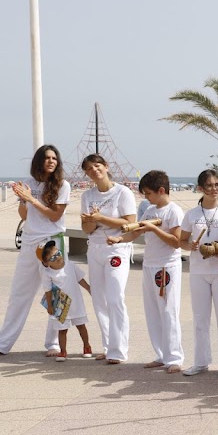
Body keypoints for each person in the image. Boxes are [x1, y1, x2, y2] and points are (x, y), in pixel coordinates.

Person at [0, 144, 70, 358]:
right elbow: (25, 215)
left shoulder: (62, 185)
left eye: (54, 158)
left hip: (51, 243)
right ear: (39, 160)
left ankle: (54, 343)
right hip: (30, 242)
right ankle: (2, 344)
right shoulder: (29, 183)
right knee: (19, 295)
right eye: (47, 158)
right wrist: (23, 200)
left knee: (55, 295)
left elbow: (55, 216)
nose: (51, 161)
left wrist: (32, 199)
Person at [110, 170, 184, 371]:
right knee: (153, 311)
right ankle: (160, 354)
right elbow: (137, 232)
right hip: (149, 265)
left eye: (149, 193)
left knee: (169, 311)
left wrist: (155, 229)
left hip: (167, 267)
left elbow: (176, 242)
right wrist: (119, 239)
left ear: (161, 190)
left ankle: (174, 357)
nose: (147, 198)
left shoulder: (173, 211)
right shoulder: (150, 210)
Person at [180, 170, 218, 378]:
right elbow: (182, 241)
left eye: (217, 185)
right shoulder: (192, 214)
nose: (214, 189)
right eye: (209, 185)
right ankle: (200, 361)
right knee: (200, 318)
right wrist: (192, 245)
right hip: (198, 271)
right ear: (200, 188)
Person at [79, 154, 137, 363]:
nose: (94, 170)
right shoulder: (87, 196)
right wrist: (93, 221)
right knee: (99, 299)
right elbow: (86, 228)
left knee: (115, 297)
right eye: (89, 169)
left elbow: (130, 222)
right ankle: (108, 345)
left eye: (97, 166)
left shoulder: (123, 192)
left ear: (106, 166)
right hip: (94, 248)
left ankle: (119, 349)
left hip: (117, 248)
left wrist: (101, 218)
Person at [35, 239, 93, 362]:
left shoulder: (71, 265)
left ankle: (87, 346)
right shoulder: (47, 273)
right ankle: (63, 351)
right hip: (60, 305)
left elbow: (80, 279)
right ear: (46, 263)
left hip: (76, 303)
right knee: (62, 330)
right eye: (52, 258)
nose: (57, 258)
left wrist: (88, 288)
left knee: (81, 326)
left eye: (58, 253)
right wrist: (50, 306)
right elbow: (48, 290)